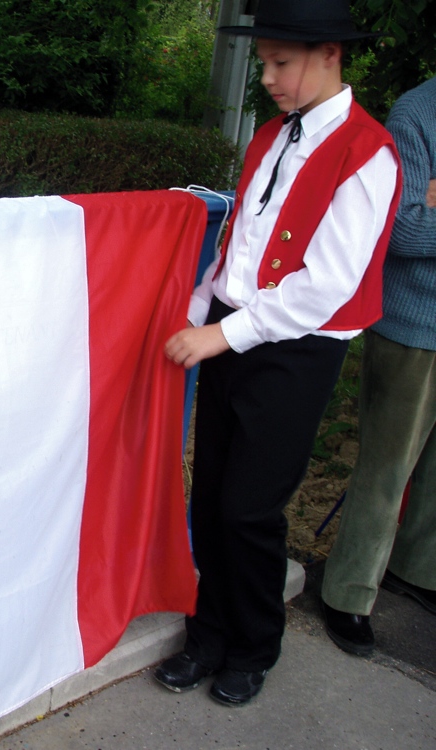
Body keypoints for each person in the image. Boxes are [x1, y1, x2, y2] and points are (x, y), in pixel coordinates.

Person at [157, 0, 400, 706]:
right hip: (235, 329)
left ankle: (253, 643)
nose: (266, 76)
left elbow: (323, 286)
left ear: (331, 55)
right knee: (212, 495)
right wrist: (201, 308)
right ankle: (208, 633)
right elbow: (242, 245)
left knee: (250, 507)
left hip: (295, 351)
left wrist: (221, 334)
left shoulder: (367, 152)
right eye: (263, 62)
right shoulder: (271, 135)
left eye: (281, 63)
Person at [320, 74, 436, 656]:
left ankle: (416, 572)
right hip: (415, 325)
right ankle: (347, 593)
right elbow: (407, 228)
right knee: (387, 471)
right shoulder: (417, 114)